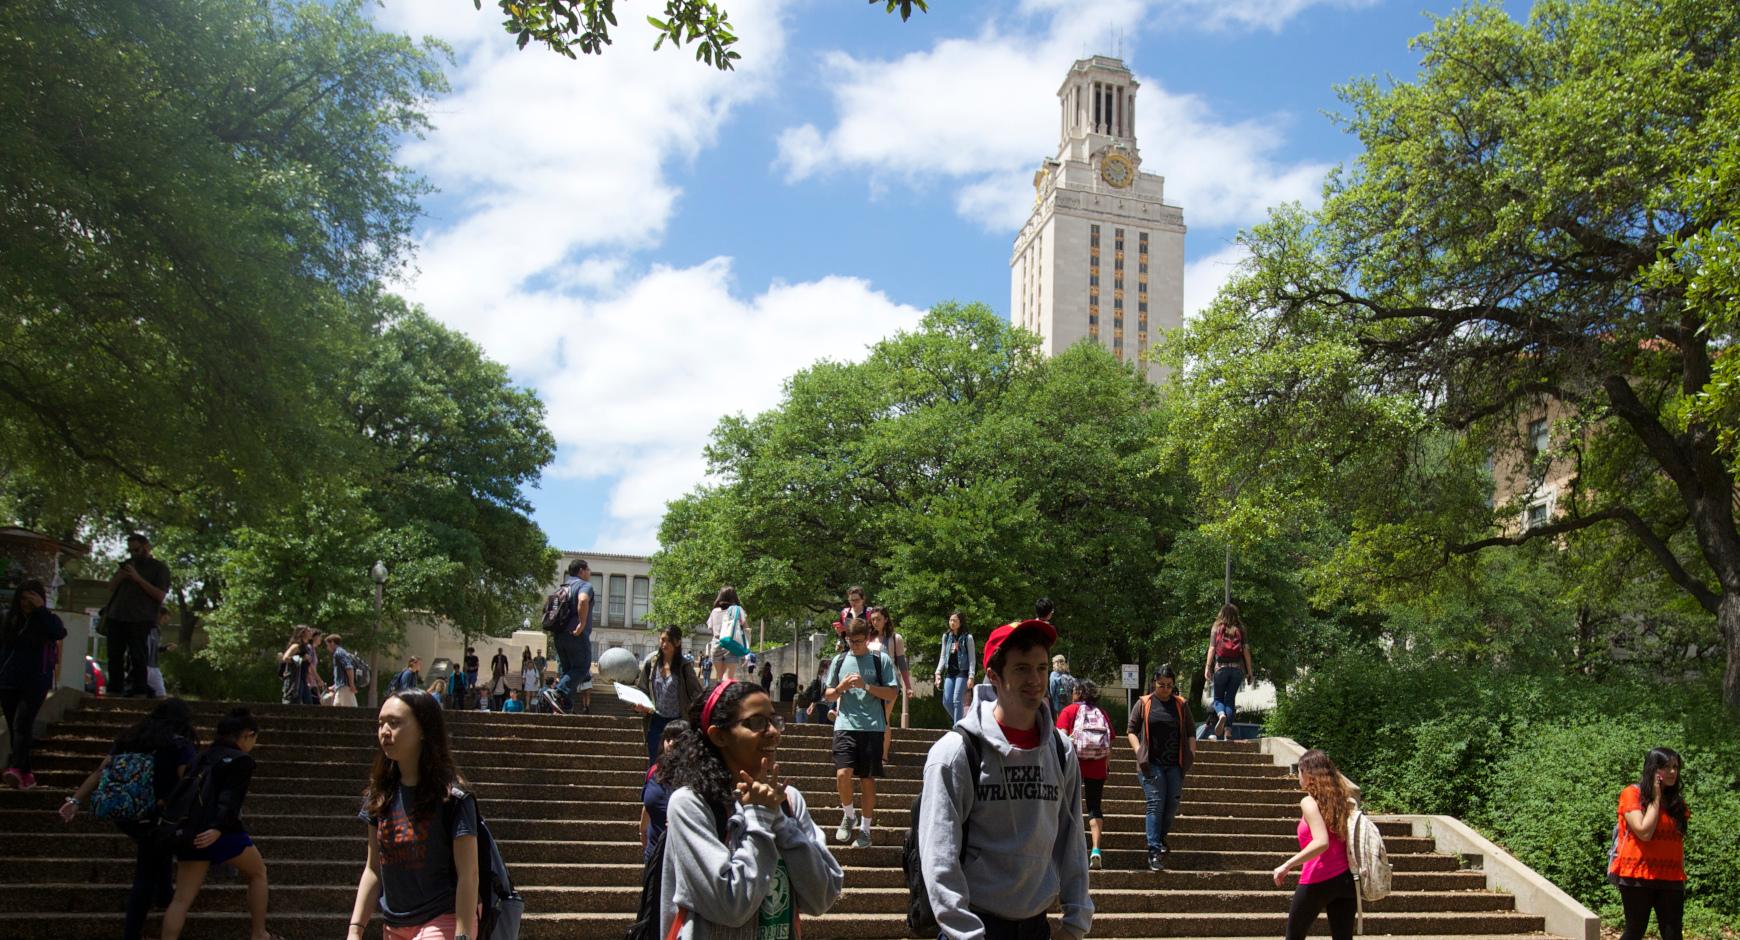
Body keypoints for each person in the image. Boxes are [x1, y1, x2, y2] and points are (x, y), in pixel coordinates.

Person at [918, 618, 1092, 939]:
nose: (1035, 679)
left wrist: (1076, 921)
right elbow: (938, 854)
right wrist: (965, 933)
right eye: (1022, 669)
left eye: (1041, 668)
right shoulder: (955, 753)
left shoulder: (1061, 750)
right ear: (994, 676)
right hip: (973, 926)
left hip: (1037, 925)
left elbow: (1072, 841)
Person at [656, 678, 843, 937]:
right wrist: (759, 816)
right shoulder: (691, 804)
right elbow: (731, 906)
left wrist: (778, 819)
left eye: (775, 721)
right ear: (719, 735)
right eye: (757, 723)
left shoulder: (788, 801)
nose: (773, 732)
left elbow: (823, 897)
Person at [60, 698, 199, 940]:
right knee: (145, 873)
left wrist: (75, 801)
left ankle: (164, 895)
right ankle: (132, 932)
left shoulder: (129, 739)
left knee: (157, 849)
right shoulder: (180, 744)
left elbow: (100, 771)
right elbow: (187, 780)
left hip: (125, 811)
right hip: (157, 812)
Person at [347, 688, 480, 940]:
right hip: (395, 923)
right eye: (381, 723)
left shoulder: (453, 798)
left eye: (395, 723)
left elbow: (469, 874)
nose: (385, 731)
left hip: (443, 917)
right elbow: (373, 869)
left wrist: (462, 935)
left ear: (423, 730)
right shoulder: (380, 794)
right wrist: (355, 930)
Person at [159, 708, 268, 940]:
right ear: (248, 734)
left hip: (189, 831)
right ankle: (259, 933)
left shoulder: (201, 756)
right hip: (221, 832)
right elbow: (231, 798)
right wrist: (218, 828)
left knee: (181, 899)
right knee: (258, 872)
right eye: (254, 738)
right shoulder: (241, 760)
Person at [823, 617, 897, 849]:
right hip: (845, 724)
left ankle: (865, 829)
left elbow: (892, 693)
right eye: (850, 641)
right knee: (843, 774)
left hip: (872, 727)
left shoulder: (880, 660)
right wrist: (841, 688)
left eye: (858, 641)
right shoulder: (839, 660)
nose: (853, 645)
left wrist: (865, 685)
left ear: (867, 639)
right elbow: (828, 695)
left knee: (867, 779)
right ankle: (849, 814)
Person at [1271, 749, 1357, 940]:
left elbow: (1321, 842)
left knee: (1294, 937)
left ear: (1309, 775)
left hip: (1318, 877)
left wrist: (1287, 865)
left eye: (1299, 772)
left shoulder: (1309, 802)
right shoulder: (1341, 800)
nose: (1298, 777)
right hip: (1346, 880)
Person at [1609, 747, 1688, 940]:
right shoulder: (1632, 794)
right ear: (1653, 769)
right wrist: (1656, 797)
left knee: (1673, 935)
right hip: (1637, 874)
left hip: (1671, 877)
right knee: (1635, 931)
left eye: (1675, 767)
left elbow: (1677, 843)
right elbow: (1644, 831)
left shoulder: (1677, 804)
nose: (1672, 772)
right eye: (1666, 767)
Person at [1127, 665, 1195, 871]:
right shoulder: (1144, 703)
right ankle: (1154, 851)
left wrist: (1192, 753)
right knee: (1155, 804)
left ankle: (1160, 837)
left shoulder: (1181, 704)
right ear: (1154, 684)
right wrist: (1139, 751)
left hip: (1175, 764)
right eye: (1161, 685)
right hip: (1151, 763)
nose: (1165, 689)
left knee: (1172, 804)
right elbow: (1131, 730)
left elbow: (1191, 731)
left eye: (1169, 685)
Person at [3, 579, 67, 789]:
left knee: (22, 722)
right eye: (23, 599)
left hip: (36, 680)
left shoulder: (47, 620)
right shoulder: (9, 619)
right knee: (15, 725)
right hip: (9, 679)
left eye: (31, 599)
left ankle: (15, 767)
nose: (26, 603)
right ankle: (26, 772)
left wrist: (40, 610)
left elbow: (59, 633)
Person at [103, 533, 172, 698]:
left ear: (147, 547)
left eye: (137, 549)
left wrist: (137, 578)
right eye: (131, 550)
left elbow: (160, 595)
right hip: (117, 615)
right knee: (114, 654)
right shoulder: (127, 564)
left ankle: (139, 689)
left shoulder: (159, 568)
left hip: (141, 618)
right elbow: (111, 587)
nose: (134, 553)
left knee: (138, 654)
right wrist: (120, 576)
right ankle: (114, 688)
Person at [1057, 680, 1111, 870]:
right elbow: (1109, 742)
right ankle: (1096, 850)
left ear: (1077, 693)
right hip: (1097, 767)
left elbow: (1062, 741)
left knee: (1069, 806)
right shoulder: (1101, 713)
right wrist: (1106, 766)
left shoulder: (1068, 712)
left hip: (1073, 766)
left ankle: (1070, 851)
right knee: (1094, 806)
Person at [633, 626, 704, 765]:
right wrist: (639, 705)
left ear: (677, 642)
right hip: (655, 721)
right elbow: (642, 689)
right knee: (654, 762)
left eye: (669, 641)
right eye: (662, 640)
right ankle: (652, 786)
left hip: (677, 722)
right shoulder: (652, 663)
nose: (664, 644)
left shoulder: (684, 666)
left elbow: (697, 694)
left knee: (677, 763)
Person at [546, 558, 597, 715]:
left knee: (568, 672)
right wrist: (581, 625)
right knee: (582, 667)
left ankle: (565, 706)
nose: (590, 572)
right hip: (575, 635)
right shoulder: (584, 585)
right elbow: (583, 600)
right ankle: (558, 693)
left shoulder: (562, 588)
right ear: (581, 570)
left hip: (559, 635)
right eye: (588, 569)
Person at [1199, 602, 1254, 741]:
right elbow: (1246, 650)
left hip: (1221, 668)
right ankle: (1228, 732)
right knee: (1230, 700)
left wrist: (1207, 667)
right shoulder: (1241, 628)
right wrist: (1250, 671)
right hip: (1237, 669)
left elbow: (1212, 648)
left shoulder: (1217, 627)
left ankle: (1221, 714)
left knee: (1218, 699)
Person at [865, 607, 912, 763]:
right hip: (871, 684)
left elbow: (902, 664)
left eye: (878, 619)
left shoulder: (895, 638)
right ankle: (872, 752)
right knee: (872, 718)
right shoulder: (868, 638)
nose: (875, 622)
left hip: (889, 684)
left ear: (885, 619)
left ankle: (883, 755)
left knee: (883, 718)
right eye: (873, 619)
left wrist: (908, 686)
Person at [640, 719, 689, 860]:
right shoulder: (654, 771)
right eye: (667, 739)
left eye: (677, 739)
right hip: (653, 854)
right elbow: (648, 803)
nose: (671, 744)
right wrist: (642, 832)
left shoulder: (696, 775)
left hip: (681, 858)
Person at [933, 611, 975, 723]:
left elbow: (972, 659)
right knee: (946, 701)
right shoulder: (946, 637)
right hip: (950, 673)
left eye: (955, 620)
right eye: (950, 620)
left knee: (957, 701)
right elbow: (943, 656)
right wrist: (937, 673)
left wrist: (971, 676)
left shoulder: (968, 638)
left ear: (960, 623)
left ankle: (957, 728)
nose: (952, 623)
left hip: (962, 672)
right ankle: (962, 723)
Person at [705, 586, 747, 685]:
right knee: (728, 679)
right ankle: (725, 699)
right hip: (731, 644)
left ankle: (718, 699)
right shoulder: (738, 609)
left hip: (716, 644)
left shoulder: (714, 611)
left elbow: (710, 628)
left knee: (720, 679)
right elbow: (746, 627)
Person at [280, 627, 317, 705]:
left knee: (308, 702)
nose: (311, 632)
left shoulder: (306, 647)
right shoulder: (296, 646)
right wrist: (301, 658)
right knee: (294, 701)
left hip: (303, 679)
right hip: (295, 679)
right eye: (308, 631)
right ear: (303, 633)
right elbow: (285, 658)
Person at [327, 634, 359, 708]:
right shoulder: (339, 653)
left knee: (351, 711)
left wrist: (351, 684)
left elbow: (349, 668)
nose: (327, 648)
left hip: (345, 688)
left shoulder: (339, 653)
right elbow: (341, 673)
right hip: (340, 687)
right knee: (337, 711)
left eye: (327, 645)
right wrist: (334, 686)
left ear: (332, 642)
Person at [146, 607, 169, 698]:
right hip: (145, 665)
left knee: (160, 692)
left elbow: (155, 648)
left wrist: (165, 648)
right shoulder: (147, 629)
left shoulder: (157, 631)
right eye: (164, 618)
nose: (165, 621)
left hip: (153, 666)